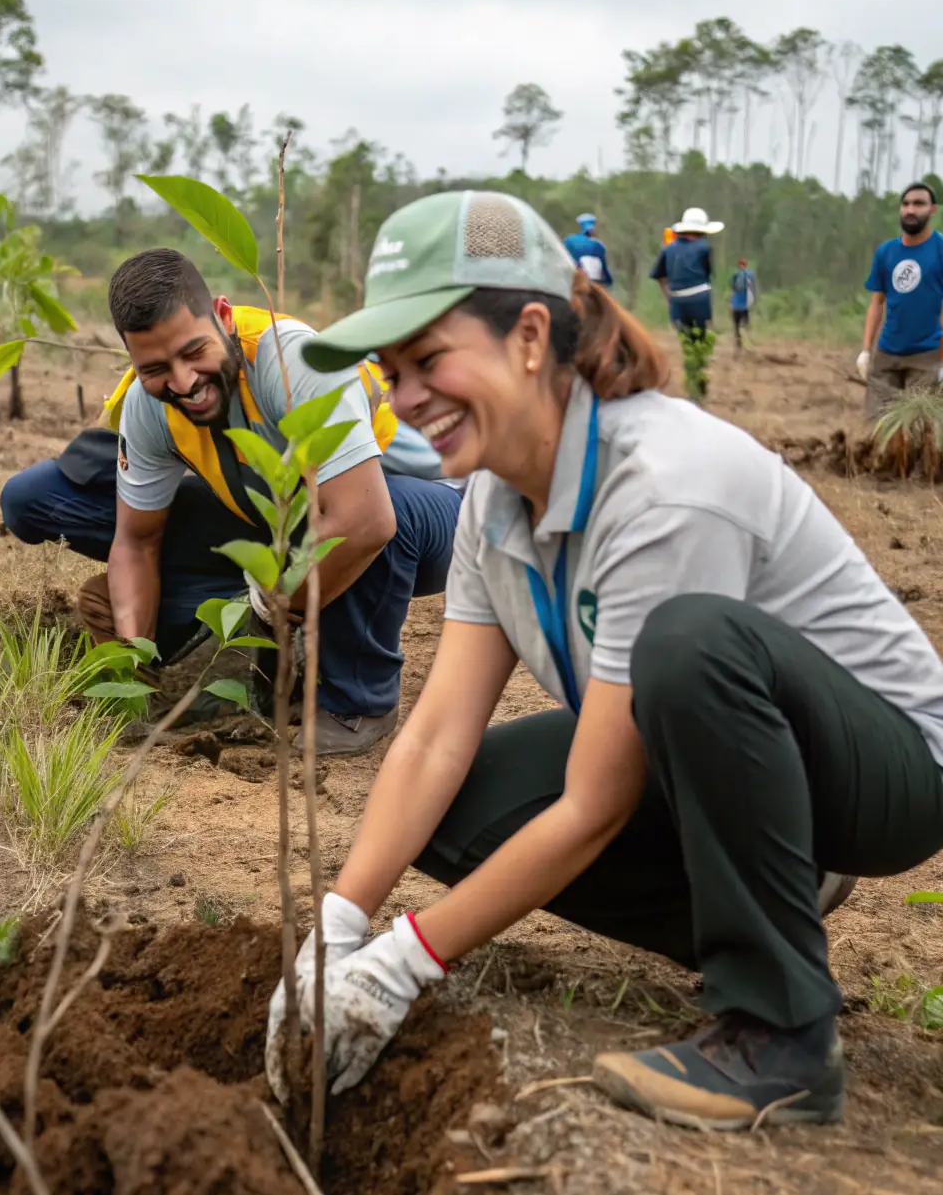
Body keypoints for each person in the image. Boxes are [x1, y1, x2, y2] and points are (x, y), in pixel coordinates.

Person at [264, 189, 943, 1130]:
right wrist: (341, 926)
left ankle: (782, 1036)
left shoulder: (664, 485)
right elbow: (432, 739)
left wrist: (407, 959)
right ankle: (764, 894)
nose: (404, 395)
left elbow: (595, 804)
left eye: (428, 358)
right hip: (727, 756)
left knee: (689, 641)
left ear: (531, 335)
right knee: (448, 808)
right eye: (388, 370)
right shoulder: (494, 505)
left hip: (888, 768)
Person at [0, 248, 461, 756]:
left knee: (370, 516)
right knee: (47, 498)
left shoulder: (290, 362)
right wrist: (133, 665)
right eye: (155, 368)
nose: (183, 382)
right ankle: (216, 612)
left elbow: (368, 520)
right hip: (281, 514)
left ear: (222, 316)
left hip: (428, 512)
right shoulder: (148, 403)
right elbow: (136, 541)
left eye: (194, 352)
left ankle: (356, 701)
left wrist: (274, 611)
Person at [858, 182, 943, 420]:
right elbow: (876, 303)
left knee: (919, 433)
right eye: (905, 204)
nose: (910, 210)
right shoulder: (886, 252)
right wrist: (866, 350)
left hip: (927, 356)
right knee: (875, 427)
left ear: (933, 209)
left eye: (919, 204)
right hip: (887, 354)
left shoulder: (940, 249)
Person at [649, 207, 724, 334]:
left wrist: (670, 298)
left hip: (678, 301)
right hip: (699, 299)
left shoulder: (668, 249)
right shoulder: (704, 247)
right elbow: (707, 275)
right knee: (701, 337)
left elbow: (660, 277)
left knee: (686, 338)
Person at [563, 213, 613, 287]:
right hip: (596, 283)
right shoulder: (599, 246)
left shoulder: (569, 240)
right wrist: (609, 280)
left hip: (575, 280)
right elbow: (605, 272)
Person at [728, 256, 757, 349]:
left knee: (736, 325)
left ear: (739, 265)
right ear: (746, 265)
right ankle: (748, 343)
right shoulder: (750, 274)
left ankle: (738, 343)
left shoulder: (735, 275)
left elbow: (732, 290)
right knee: (745, 324)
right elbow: (752, 290)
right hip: (745, 305)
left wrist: (730, 303)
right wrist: (752, 301)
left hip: (736, 304)